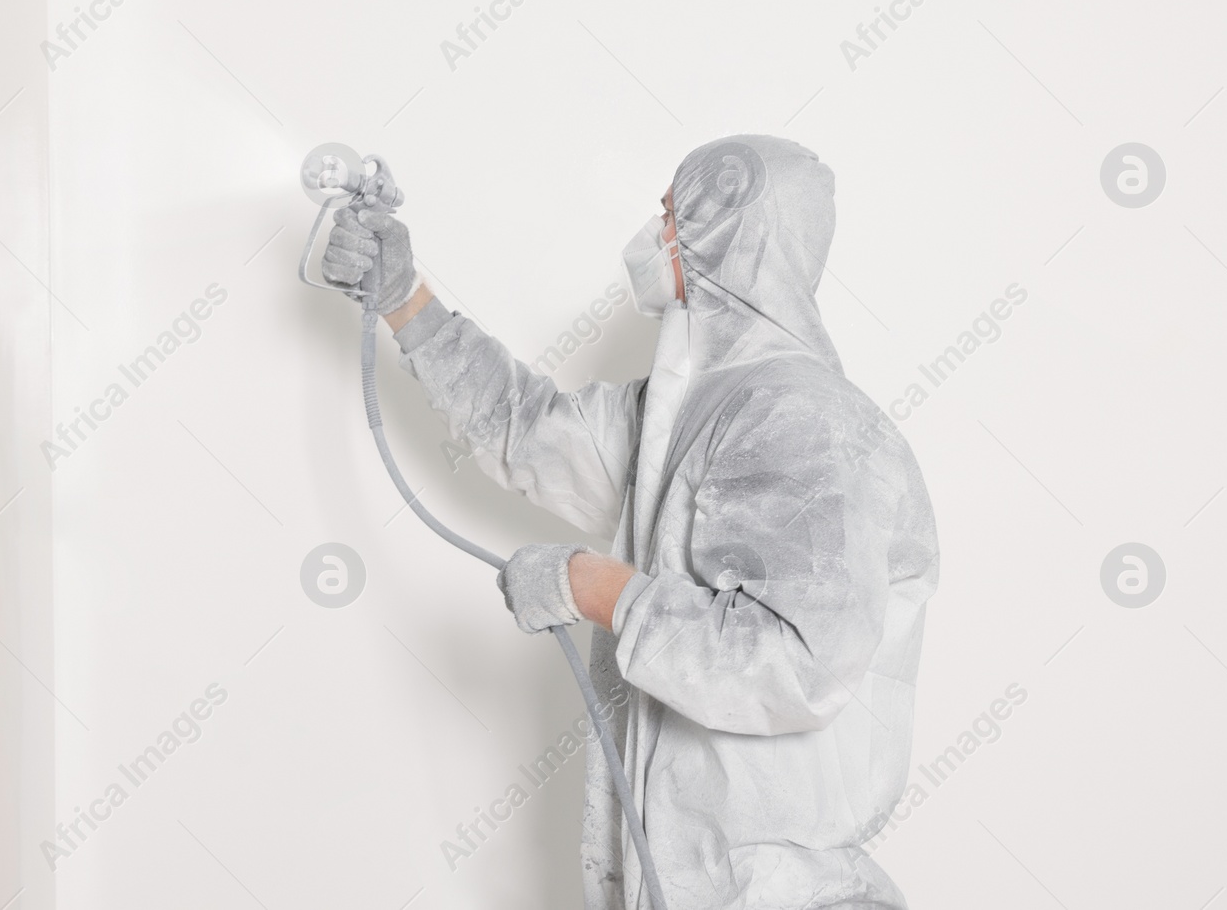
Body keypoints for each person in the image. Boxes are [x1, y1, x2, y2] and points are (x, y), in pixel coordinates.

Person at [322, 135, 939, 910]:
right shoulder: (686, 412)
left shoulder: (806, 422)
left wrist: (594, 585)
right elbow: (527, 429)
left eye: (672, 214)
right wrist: (405, 298)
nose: (655, 233)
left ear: (728, 233)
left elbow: (790, 663)